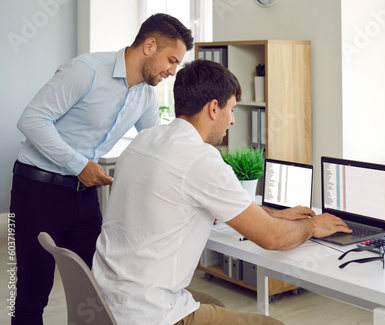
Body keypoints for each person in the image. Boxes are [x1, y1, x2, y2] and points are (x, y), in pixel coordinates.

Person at [92, 59, 352, 325]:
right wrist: (313, 226)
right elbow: (272, 239)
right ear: (214, 108)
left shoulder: (145, 139)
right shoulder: (201, 159)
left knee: (214, 304)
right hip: (150, 314)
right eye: (232, 109)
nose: (233, 120)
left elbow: (194, 202)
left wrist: (274, 214)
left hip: (104, 299)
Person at [9, 13, 194, 325]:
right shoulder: (86, 71)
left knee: (99, 287)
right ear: (150, 45)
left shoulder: (145, 96)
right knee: (32, 292)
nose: (173, 72)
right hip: (37, 191)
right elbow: (31, 120)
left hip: (83, 197)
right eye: (171, 60)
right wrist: (79, 165)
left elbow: (159, 146)